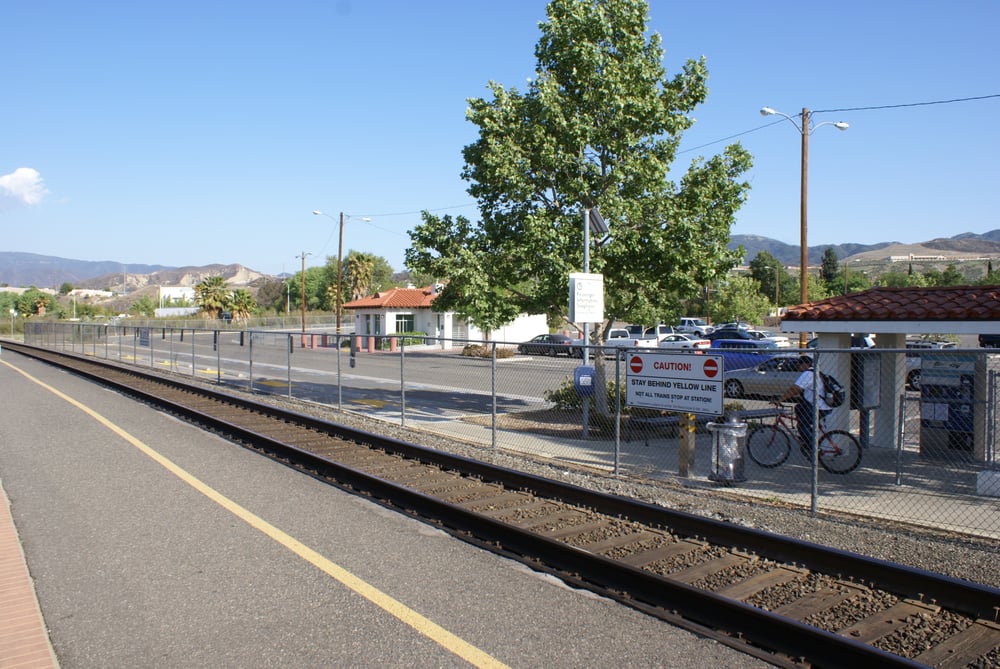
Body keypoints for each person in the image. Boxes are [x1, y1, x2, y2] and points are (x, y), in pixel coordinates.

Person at [778, 355, 832, 452]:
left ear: (805, 364)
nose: (798, 367)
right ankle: (808, 436)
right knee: (798, 408)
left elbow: (794, 389)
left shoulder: (808, 374)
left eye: (799, 365)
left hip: (819, 407)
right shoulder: (816, 372)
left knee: (802, 425)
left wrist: (780, 400)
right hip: (819, 405)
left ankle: (813, 449)